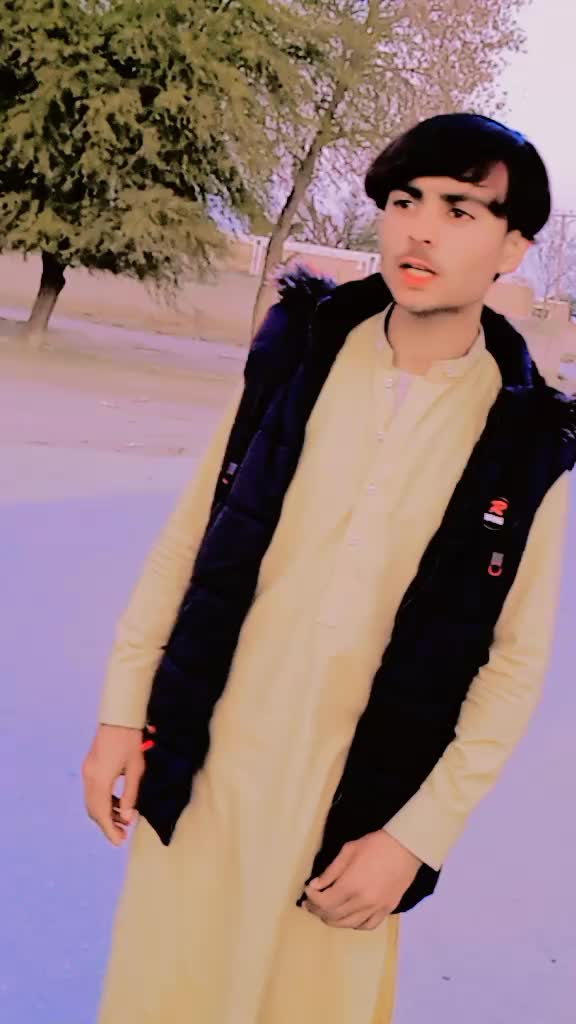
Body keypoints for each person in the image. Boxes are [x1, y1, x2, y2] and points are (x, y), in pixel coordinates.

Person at [82, 113, 574, 1024]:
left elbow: (513, 667)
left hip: (350, 823)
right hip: (210, 775)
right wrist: (123, 710)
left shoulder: (526, 440)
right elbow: (191, 539)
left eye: (460, 211)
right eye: (404, 202)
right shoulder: (298, 361)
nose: (420, 231)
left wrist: (414, 837)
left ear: (513, 248)